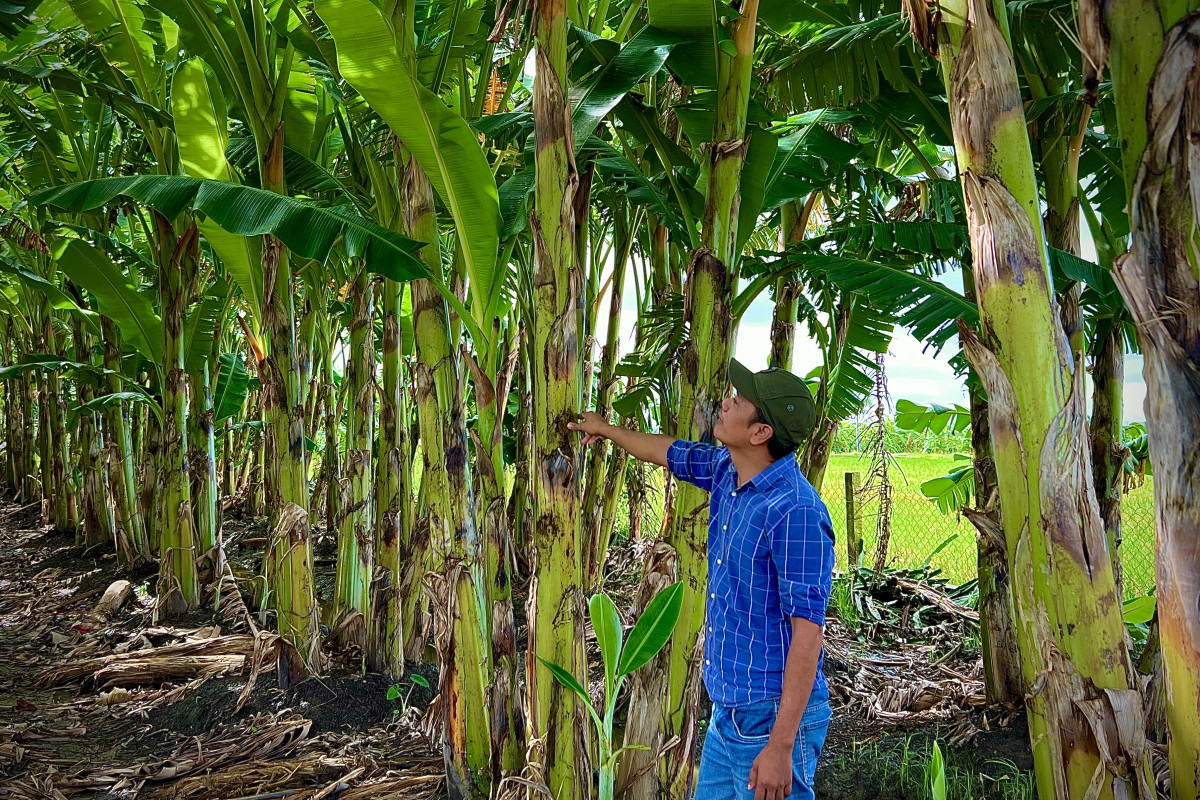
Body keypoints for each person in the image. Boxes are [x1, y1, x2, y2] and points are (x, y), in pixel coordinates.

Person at [569, 359, 835, 800]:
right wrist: (609, 430)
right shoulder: (727, 471)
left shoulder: (796, 512)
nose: (726, 402)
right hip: (727, 713)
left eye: (739, 400)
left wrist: (780, 745)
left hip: (769, 719)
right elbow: (668, 451)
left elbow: (808, 633)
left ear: (760, 433)